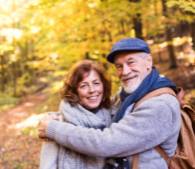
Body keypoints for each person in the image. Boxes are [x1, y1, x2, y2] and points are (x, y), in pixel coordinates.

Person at [38, 37, 181, 169]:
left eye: (131, 62)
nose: (125, 71)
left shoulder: (160, 104)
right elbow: (97, 112)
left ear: (148, 61)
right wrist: (56, 117)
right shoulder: (127, 95)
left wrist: (53, 128)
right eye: (119, 66)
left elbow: (106, 143)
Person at [40, 60, 115, 169]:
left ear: (104, 86)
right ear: (74, 92)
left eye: (96, 83)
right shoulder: (55, 125)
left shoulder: (114, 117)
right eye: (84, 86)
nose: (92, 90)